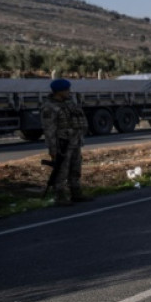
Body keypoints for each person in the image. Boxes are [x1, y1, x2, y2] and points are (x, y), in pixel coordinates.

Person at [40, 78, 91, 206]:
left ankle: (76, 193)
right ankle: (60, 196)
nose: (69, 91)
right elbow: (49, 130)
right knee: (61, 171)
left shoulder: (69, 102)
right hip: (62, 144)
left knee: (75, 168)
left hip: (75, 141)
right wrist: (52, 149)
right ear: (59, 92)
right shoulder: (49, 107)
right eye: (66, 90)